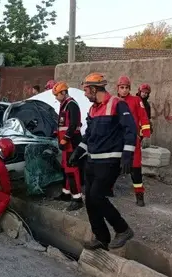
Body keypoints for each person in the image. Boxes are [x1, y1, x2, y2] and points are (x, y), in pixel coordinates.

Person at [69, 72, 136, 251]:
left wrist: (128, 154)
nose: (84, 94)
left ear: (94, 88)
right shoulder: (92, 109)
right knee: (90, 200)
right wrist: (78, 151)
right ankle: (101, 238)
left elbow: (131, 129)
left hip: (109, 161)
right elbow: (89, 134)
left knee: (97, 196)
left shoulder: (117, 104)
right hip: (92, 161)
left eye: (86, 90)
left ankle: (122, 229)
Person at [116, 76, 151, 207]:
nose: (124, 90)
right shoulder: (114, 101)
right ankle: (108, 190)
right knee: (113, 166)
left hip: (133, 140)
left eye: (126, 88)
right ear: (117, 88)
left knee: (135, 169)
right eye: (122, 87)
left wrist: (146, 135)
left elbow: (144, 118)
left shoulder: (136, 100)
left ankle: (139, 194)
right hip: (117, 141)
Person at [51, 81, 83, 211]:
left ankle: (77, 198)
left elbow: (74, 124)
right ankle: (66, 193)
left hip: (72, 142)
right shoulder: (65, 105)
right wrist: (57, 133)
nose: (56, 97)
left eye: (57, 94)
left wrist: (65, 138)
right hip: (66, 143)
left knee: (72, 169)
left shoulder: (71, 104)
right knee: (66, 168)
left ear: (63, 92)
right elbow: (64, 124)